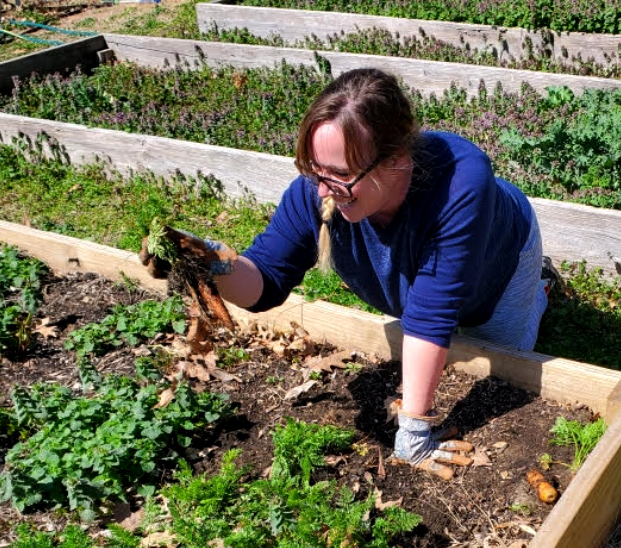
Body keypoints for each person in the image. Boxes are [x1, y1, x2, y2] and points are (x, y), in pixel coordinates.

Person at [156, 67, 550, 478]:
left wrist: (414, 431)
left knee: (504, 357)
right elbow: (264, 283)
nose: (323, 190)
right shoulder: (317, 191)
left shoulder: (461, 184)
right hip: (415, 280)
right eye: (315, 169)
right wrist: (205, 259)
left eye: (341, 174)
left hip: (499, 260)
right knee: (427, 322)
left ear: (397, 158)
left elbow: (432, 316)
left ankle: (538, 292)